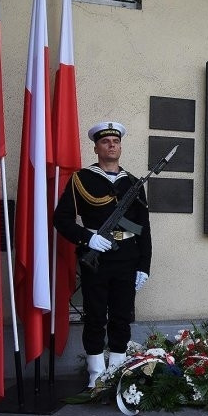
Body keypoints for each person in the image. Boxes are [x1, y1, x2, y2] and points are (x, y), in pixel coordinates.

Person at [53, 122, 152, 388]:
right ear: (96, 147)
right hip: (96, 256)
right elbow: (61, 219)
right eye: (106, 141)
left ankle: (118, 370)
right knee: (96, 315)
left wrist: (144, 266)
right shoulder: (81, 179)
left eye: (115, 141)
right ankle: (96, 373)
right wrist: (89, 238)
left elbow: (143, 227)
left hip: (127, 256)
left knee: (122, 315)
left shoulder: (132, 182)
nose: (111, 145)